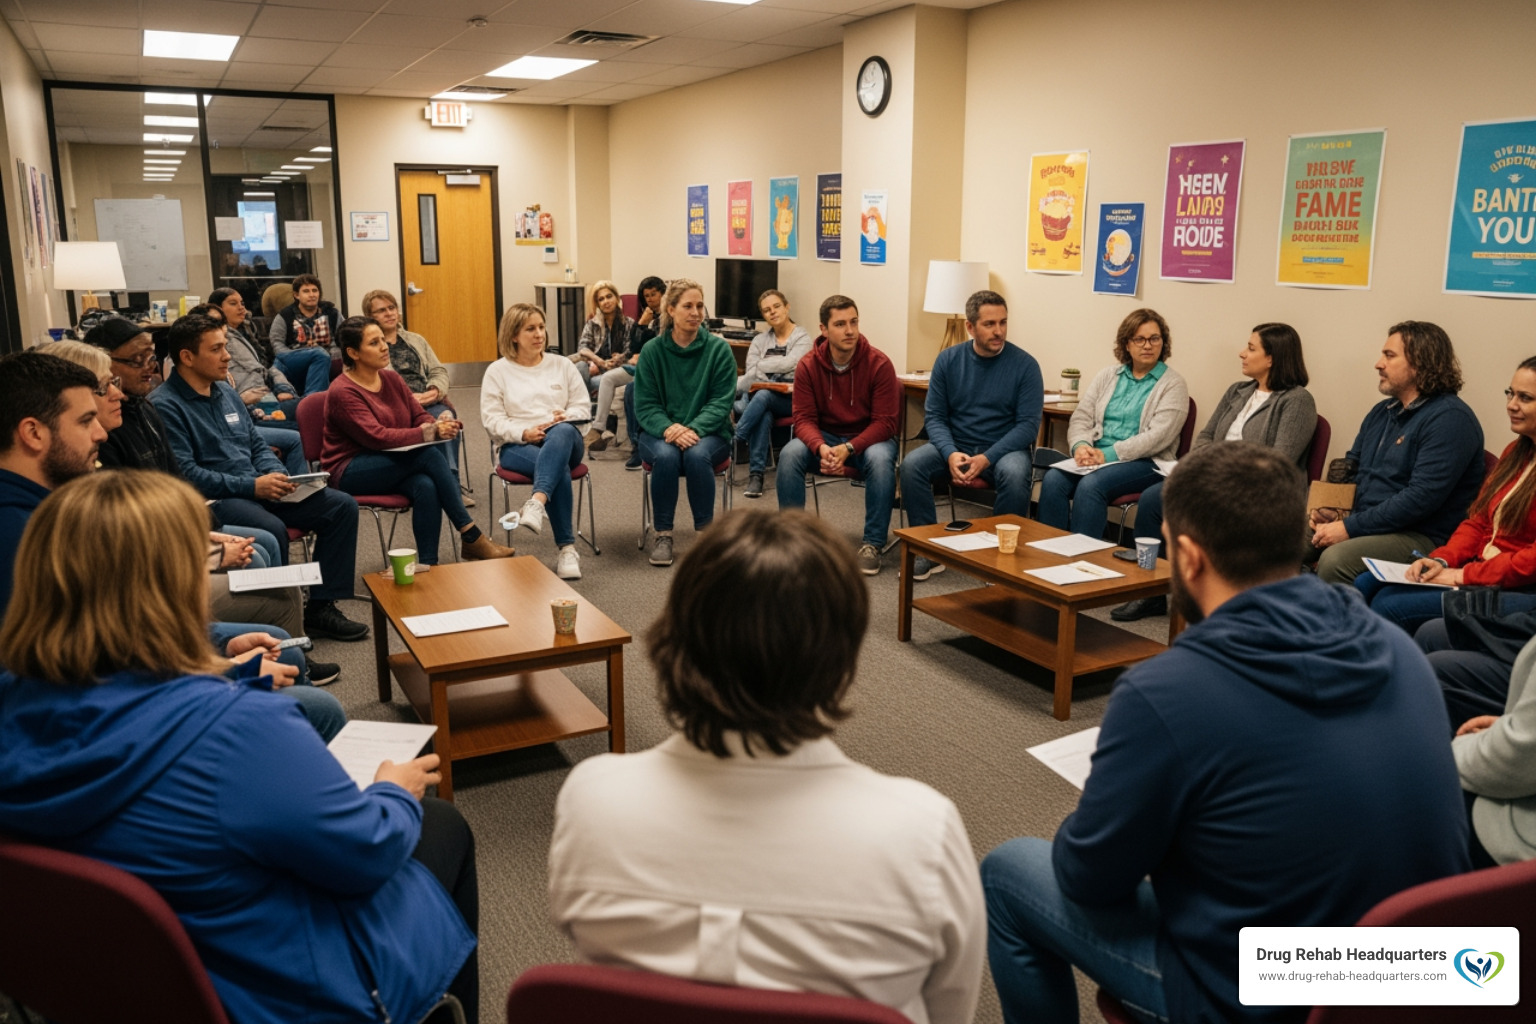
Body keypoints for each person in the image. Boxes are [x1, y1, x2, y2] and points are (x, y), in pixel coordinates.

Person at [982, 443, 1469, 1024]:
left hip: (1268, 996)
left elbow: (1088, 878)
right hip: (1420, 979)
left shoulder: (1167, 692)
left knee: (1010, 871)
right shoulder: (1397, 648)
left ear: (1186, 557)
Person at [0, 470, 479, 1024]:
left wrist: (224, 675)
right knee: (440, 823)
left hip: (118, 979)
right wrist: (392, 793)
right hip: (274, 988)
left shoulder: (15, 699)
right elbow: (364, 853)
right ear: (168, 585)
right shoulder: (242, 732)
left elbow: (125, 707)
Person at [548, 510, 985, 1024]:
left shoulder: (593, 799)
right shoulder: (922, 834)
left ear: (677, 641)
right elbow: (949, 1012)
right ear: (841, 658)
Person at [150, 313, 370, 643]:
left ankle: (321, 608)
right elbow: (188, 475)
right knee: (270, 530)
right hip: (219, 499)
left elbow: (255, 442)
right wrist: (253, 486)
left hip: (258, 486)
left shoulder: (224, 391)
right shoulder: (165, 406)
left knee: (340, 507)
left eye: (226, 346)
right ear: (186, 357)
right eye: (217, 349)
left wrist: (278, 474)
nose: (227, 355)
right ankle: (282, 628)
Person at [1110, 322, 1317, 621]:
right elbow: (1205, 438)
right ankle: (1150, 594)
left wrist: (1220, 466)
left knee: (1198, 513)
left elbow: (1278, 461)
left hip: (1257, 492)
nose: (1242, 353)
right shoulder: (1237, 391)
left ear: (1272, 358)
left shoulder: (1296, 401)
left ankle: (1210, 601)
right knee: (1156, 498)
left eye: (1251, 348)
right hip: (1215, 479)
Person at [1356, 355, 1536, 634]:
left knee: (1388, 606)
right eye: (1510, 394)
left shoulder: (1451, 418)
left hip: (1520, 590)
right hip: (1480, 569)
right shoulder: (1516, 452)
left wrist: (1463, 575)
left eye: (1525, 398)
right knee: (1366, 584)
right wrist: (1442, 560)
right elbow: (1477, 522)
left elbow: (1530, 561)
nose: (1511, 405)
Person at [323, 316, 514, 566]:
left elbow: (417, 414)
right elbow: (376, 437)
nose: (384, 346)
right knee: (429, 455)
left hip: (390, 459)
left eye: (383, 339)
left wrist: (438, 422)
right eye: (374, 342)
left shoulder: (390, 378)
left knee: (426, 485)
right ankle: (470, 534)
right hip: (349, 468)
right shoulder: (343, 391)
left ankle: (428, 564)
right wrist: (430, 433)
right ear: (353, 352)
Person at [1308, 320, 1484, 585]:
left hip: (1419, 535)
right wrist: (1335, 513)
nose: (1379, 364)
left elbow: (1419, 499)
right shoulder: (1382, 412)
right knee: (1274, 540)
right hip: (1367, 522)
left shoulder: (1451, 419)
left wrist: (1349, 527)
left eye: (1389, 356)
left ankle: (1336, 624)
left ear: (1420, 363)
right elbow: (1353, 469)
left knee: (1335, 560)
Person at [900, 290, 1043, 581]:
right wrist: (951, 452)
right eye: (990, 324)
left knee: (1016, 475)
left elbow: (1027, 426)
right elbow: (936, 417)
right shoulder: (948, 360)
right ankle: (927, 551)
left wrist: (988, 458)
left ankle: (999, 558)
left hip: (1003, 449)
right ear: (970, 327)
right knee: (912, 465)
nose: (999, 331)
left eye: (1003, 322)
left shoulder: (1026, 366)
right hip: (958, 444)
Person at [1038, 308, 1189, 544]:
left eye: (1154, 338)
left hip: (1146, 462)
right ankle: (1047, 555)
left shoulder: (1173, 384)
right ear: (1126, 344)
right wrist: (1081, 446)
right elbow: (1081, 416)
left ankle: (1083, 565)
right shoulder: (1108, 375)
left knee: (1091, 486)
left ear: (1163, 343)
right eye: (1139, 339)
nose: (1147, 345)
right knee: (1053, 480)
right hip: (1098, 456)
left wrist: (1106, 454)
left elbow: (1158, 437)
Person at [776, 295, 899, 575]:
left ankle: (873, 543)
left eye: (854, 322)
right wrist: (820, 447)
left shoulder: (879, 364)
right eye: (841, 324)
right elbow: (804, 418)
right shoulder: (808, 366)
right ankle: (792, 538)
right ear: (824, 329)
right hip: (826, 438)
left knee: (881, 459)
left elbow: (886, 423)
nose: (850, 331)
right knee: (790, 453)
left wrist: (850, 448)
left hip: (868, 441)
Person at [480, 303, 590, 580]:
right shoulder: (498, 371)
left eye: (541, 327)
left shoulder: (563, 365)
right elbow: (492, 420)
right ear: (514, 335)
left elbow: (583, 408)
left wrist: (565, 415)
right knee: (557, 469)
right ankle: (567, 549)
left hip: (566, 439)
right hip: (518, 446)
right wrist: (523, 432)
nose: (539, 334)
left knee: (562, 432)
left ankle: (536, 502)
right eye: (530, 329)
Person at [633, 278, 736, 568]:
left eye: (700, 306)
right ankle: (663, 535)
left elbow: (721, 402)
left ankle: (705, 538)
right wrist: (669, 429)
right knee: (665, 456)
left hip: (709, 434)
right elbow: (645, 405)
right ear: (670, 309)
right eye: (688, 306)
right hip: (658, 432)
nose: (696, 312)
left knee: (697, 454)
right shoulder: (653, 351)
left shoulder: (719, 350)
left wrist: (691, 429)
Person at [360, 288, 470, 502]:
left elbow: (439, 370)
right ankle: (438, 485)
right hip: (395, 406)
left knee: (445, 418)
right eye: (381, 311)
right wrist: (411, 399)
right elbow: (375, 384)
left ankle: (451, 484)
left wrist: (434, 391)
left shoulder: (416, 339)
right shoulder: (369, 347)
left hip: (428, 398)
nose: (390, 313)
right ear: (370, 318)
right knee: (430, 424)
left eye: (392, 308)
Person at [189, 301, 305, 476]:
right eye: (212, 322)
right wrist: (245, 402)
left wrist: (282, 388)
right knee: (301, 431)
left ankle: (297, 491)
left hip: (254, 408)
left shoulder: (237, 341)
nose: (225, 355)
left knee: (311, 409)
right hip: (245, 416)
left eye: (221, 322)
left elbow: (265, 369)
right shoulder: (205, 364)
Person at [1455, 634, 1536, 866]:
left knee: (1417, 787)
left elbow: (1518, 759)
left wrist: (1442, 753)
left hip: (1522, 839)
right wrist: (1514, 723)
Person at [733, 288, 813, 499]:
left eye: (777, 306)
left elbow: (794, 362)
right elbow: (752, 372)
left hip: (793, 400)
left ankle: (737, 436)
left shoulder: (802, 336)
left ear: (787, 307)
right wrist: (769, 371)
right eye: (767, 310)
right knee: (764, 409)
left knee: (762, 397)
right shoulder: (760, 340)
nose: (773, 312)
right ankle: (756, 475)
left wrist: (762, 368)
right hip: (764, 399)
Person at [211, 286, 301, 425]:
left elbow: (266, 368)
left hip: (268, 394)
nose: (241, 308)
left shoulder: (245, 332)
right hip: (253, 402)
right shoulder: (221, 338)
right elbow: (258, 370)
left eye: (242, 303)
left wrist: (283, 388)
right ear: (217, 310)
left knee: (314, 406)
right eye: (233, 304)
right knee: (313, 410)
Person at [575, 279, 638, 452]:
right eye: (601, 299)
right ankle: (581, 419)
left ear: (617, 298)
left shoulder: (629, 323)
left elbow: (630, 352)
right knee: (578, 368)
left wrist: (616, 360)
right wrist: (597, 361)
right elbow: (583, 348)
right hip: (597, 370)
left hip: (616, 371)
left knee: (605, 379)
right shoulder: (593, 324)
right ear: (597, 304)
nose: (606, 301)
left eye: (609, 296)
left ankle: (599, 427)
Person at [621, 275, 668, 469]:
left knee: (634, 387)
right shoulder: (649, 318)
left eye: (653, 294)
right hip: (646, 370)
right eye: (646, 296)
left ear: (664, 294)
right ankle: (637, 445)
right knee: (631, 390)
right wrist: (641, 323)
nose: (650, 299)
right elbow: (633, 347)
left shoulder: (670, 318)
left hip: (665, 372)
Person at [269, 272, 342, 383]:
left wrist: (335, 354)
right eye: (306, 291)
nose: (312, 295)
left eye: (315, 290)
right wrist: (292, 358)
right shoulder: (285, 315)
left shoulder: (332, 313)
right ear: (296, 295)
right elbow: (277, 343)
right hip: (298, 360)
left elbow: (345, 336)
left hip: (329, 359)